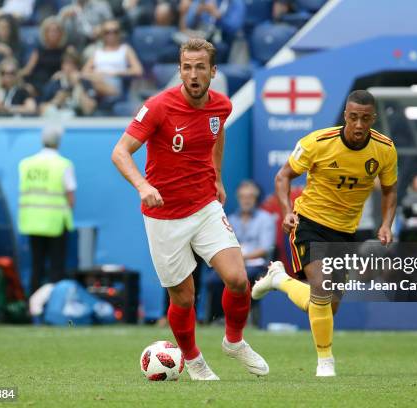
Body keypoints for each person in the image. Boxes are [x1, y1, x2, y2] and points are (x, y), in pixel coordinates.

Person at [111, 38, 268, 381]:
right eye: (186, 67)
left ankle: (235, 341)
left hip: (204, 206)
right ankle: (194, 360)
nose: (193, 74)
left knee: (238, 279)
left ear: (213, 71)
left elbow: (216, 135)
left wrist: (218, 179)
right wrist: (143, 186)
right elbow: (120, 152)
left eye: (200, 67)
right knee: (184, 299)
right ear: (179, 70)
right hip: (164, 216)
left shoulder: (221, 106)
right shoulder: (158, 107)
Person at [252, 90, 398, 377]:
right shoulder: (317, 143)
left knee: (327, 306)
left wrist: (386, 224)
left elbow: (390, 190)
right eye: (353, 117)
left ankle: (279, 279)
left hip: (345, 232)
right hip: (309, 223)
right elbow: (283, 176)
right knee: (321, 287)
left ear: (373, 119)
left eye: (365, 119)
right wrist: (286, 211)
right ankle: (325, 363)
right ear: (345, 115)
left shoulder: (385, 149)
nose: (358, 125)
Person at [18, 125, 76, 295]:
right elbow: (70, 196)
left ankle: (33, 307)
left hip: (32, 223)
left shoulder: (26, 164)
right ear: (58, 143)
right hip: (55, 223)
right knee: (56, 268)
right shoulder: (63, 164)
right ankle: (52, 306)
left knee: (36, 266)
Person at [206, 180, 276, 322]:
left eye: (250, 197)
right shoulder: (230, 219)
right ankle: (219, 317)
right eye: (243, 197)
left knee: (245, 276)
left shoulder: (265, 219)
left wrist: (241, 257)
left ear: (256, 198)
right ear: (238, 198)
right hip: (235, 262)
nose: (246, 200)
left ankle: (243, 317)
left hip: (256, 264)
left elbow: (265, 248)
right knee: (213, 279)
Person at [40, 49, 98, 118]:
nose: (69, 68)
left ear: (77, 67)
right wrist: (57, 101)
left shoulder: (85, 83)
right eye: (66, 64)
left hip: (78, 120)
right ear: (62, 66)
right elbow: (41, 108)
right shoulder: (56, 82)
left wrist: (78, 85)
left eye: (72, 64)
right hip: (57, 118)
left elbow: (89, 110)